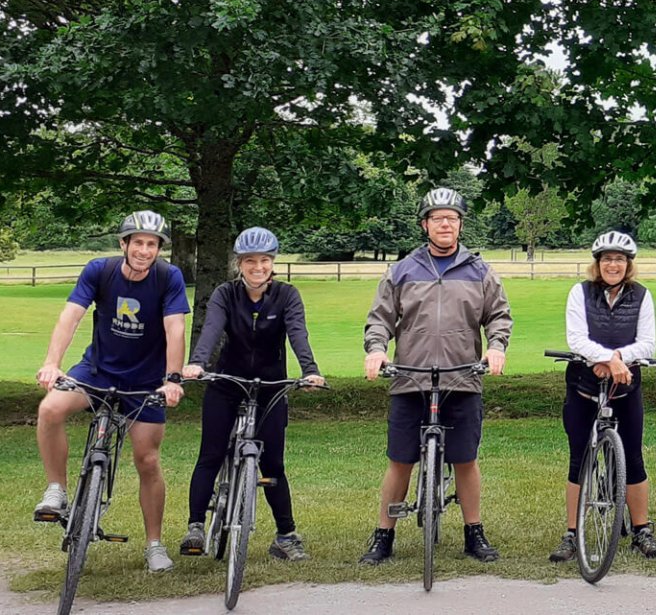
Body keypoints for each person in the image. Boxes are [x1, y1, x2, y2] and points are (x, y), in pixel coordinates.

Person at [358, 187, 512, 565]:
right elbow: (380, 319)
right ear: (425, 225)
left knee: (465, 460)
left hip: (462, 377)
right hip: (411, 377)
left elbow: (499, 316)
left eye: (453, 219)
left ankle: (473, 532)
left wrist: (496, 347)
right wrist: (377, 350)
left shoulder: (479, 271)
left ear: (460, 226)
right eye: (438, 218)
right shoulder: (402, 270)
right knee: (400, 460)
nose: (446, 224)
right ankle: (383, 535)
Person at [33, 210, 190, 572]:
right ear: (124, 244)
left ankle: (154, 544)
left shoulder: (169, 277)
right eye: (138, 242)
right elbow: (70, 315)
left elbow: (175, 329)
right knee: (49, 410)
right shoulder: (99, 271)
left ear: (159, 249)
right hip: (97, 371)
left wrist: (172, 378)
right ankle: (56, 489)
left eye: (152, 244)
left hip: (146, 381)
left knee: (147, 461)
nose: (145, 250)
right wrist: (52, 362)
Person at [177, 227, 324, 561]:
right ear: (239, 263)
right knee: (211, 455)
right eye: (250, 261)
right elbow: (212, 328)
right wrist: (197, 363)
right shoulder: (225, 294)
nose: (258, 267)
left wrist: (310, 370)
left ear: (272, 262)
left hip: (271, 388)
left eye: (264, 260)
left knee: (273, 464)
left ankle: (286, 536)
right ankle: (196, 526)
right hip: (227, 382)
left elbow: (297, 333)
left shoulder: (287, 295)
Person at [548, 231, 656, 563]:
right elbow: (576, 338)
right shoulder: (579, 292)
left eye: (619, 259)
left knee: (634, 458)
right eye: (606, 259)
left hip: (626, 387)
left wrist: (617, 360)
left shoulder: (642, 296)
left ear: (628, 265)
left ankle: (641, 528)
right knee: (579, 459)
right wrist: (604, 359)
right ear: (597, 263)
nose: (613, 264)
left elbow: (648, 343)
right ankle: (571, 534)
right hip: (584, 385)